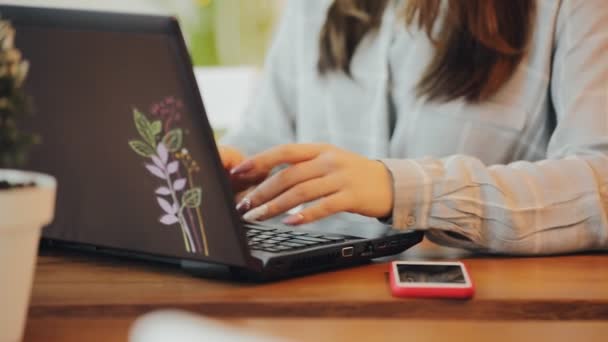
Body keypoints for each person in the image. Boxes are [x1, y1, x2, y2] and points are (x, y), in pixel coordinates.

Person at [219, 0, 608, 255]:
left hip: (482, 316)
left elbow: (600, 181)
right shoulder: (310, 7)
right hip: (315, 303)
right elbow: (265, 139)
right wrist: (231, 168)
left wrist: (399, 188)